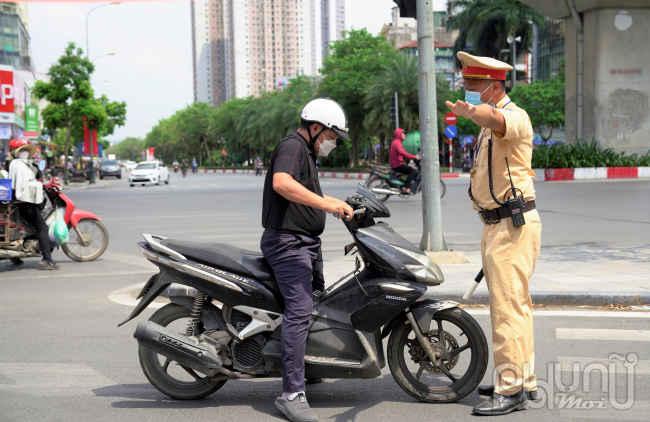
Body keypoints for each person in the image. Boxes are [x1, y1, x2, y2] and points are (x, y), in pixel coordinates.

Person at [446, 51, 540, 416]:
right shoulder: (487, 125)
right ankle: (523, 378)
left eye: (473, 87)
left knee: (506, 310)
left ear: (494, 86)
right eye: (466, 87)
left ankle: (511, 388)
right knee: (517, 306)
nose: (468, 94)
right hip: (497, 224)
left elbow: (496, 117)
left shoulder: (512, 117)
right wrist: (476, 113)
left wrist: (473, 111)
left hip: (510, 225)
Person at [261, 98, 353, 422]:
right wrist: (327, 205)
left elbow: (308, 194)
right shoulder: (293, 146)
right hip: (288, 244)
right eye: (332, 136)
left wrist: (337, 202)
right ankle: (291, 394)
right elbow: (282, 183)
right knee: (299, 310)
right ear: (316, 128)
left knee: (317, 301)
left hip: (305, 244)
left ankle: (305, 367)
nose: (333, 143)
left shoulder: (307, 152)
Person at [7, 138, 60, 270]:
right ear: (15, 152)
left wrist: (40, 182)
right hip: (25, 201)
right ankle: (47, 259)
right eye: (22, 150)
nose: (24, 152)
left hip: (20, 200)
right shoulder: (18, 164)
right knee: (42, 227)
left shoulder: (20, 163)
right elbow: (25, 185)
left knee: (29, 226)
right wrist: (42, 184)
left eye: (26, 150)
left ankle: (16, 256)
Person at [389, 128, 419, 194]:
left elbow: (402, 154)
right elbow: (402, 153)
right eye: (403, 133)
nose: (405, 135)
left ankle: (404, 184)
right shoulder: (397, 143)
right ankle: (406, 187)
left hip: (397, 164)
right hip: (397, 165)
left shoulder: (397, 142)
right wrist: (413, 157)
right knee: (412, 171)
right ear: (399, 134)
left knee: (409, 170)